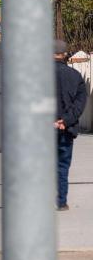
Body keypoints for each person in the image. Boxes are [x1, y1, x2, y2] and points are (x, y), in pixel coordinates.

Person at [54, 39, 87, 211]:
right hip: (66, 130)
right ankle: (61, 202)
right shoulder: (75, 76)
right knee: (62, 166)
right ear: (65, 55)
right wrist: (65, 121)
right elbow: (80, 104)